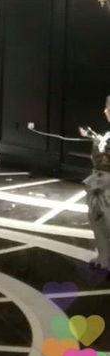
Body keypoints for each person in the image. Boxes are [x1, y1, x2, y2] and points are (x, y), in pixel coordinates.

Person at [79, 97, 110, 270]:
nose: (105, 111)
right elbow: (97, 160)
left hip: (106, 184)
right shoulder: (107, 136)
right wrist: (97, 144)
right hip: (100, 182)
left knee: (104, 220)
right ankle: (104, 256)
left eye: (108, 109)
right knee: (97, 219)